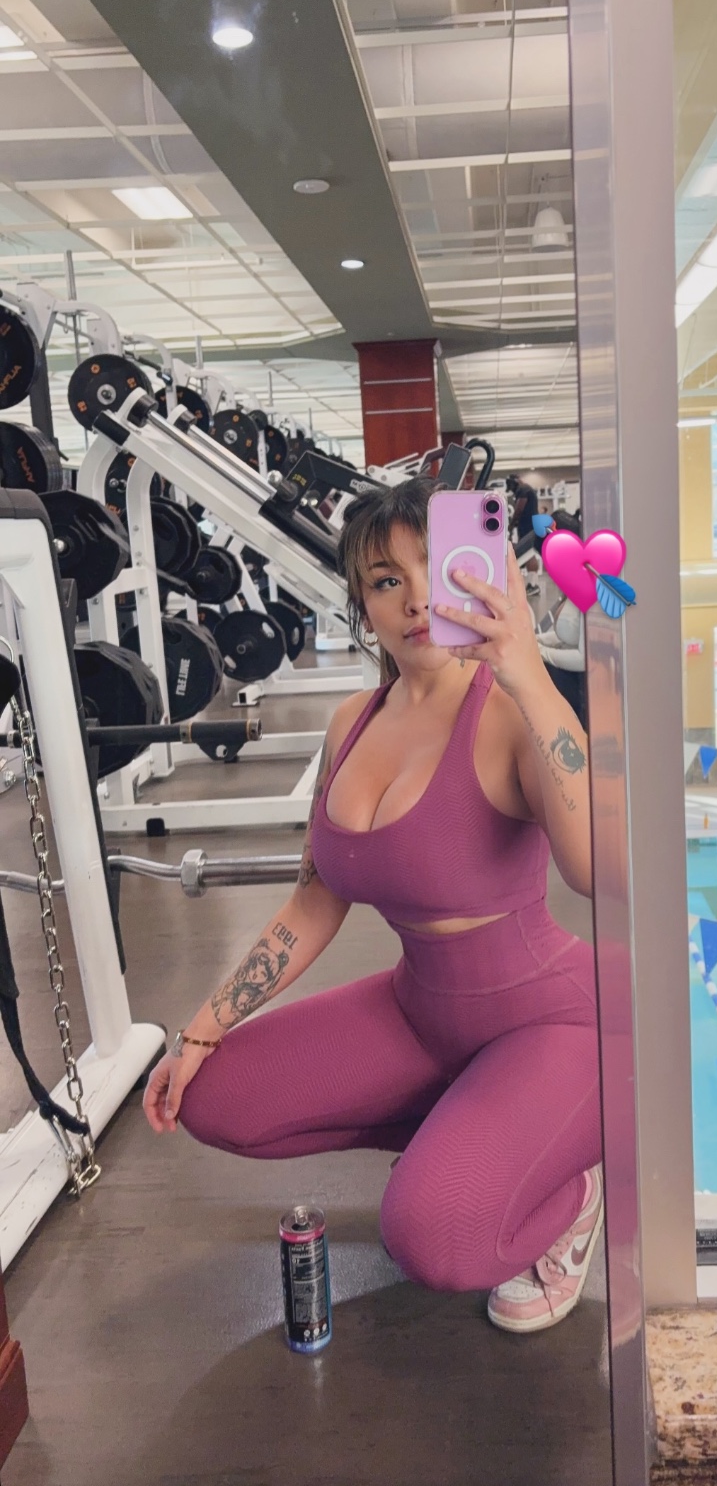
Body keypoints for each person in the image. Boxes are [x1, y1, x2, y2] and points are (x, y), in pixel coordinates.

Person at [143, 476, 603, 1334]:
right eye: (387, 580)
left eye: (438, 566)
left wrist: (529, 674)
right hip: (418, 1012)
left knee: (436, 1241)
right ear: (362, 606)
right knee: (215, 1096)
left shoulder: (511, 713)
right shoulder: (350, 722)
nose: (418, 598)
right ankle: (477, 1136)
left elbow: (595, 870)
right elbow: (312, 902)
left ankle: (566, 1193)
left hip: (552, 1022)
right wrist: (201, 1027)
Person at [538, 598, 588, 733]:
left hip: (577, 686)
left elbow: (584, 659)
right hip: (566, 677)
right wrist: (539, 639)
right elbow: (573, 634)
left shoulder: (594, 593)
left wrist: (542, 652)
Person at [506, 475, 539, 542]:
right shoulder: (527, 488)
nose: (512, 491)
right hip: (532, 524)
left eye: (511, 488)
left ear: (514, 484)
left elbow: (519, 510)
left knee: (524, 545)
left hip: (527, 525)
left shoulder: (522, 489)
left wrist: (511, 526)